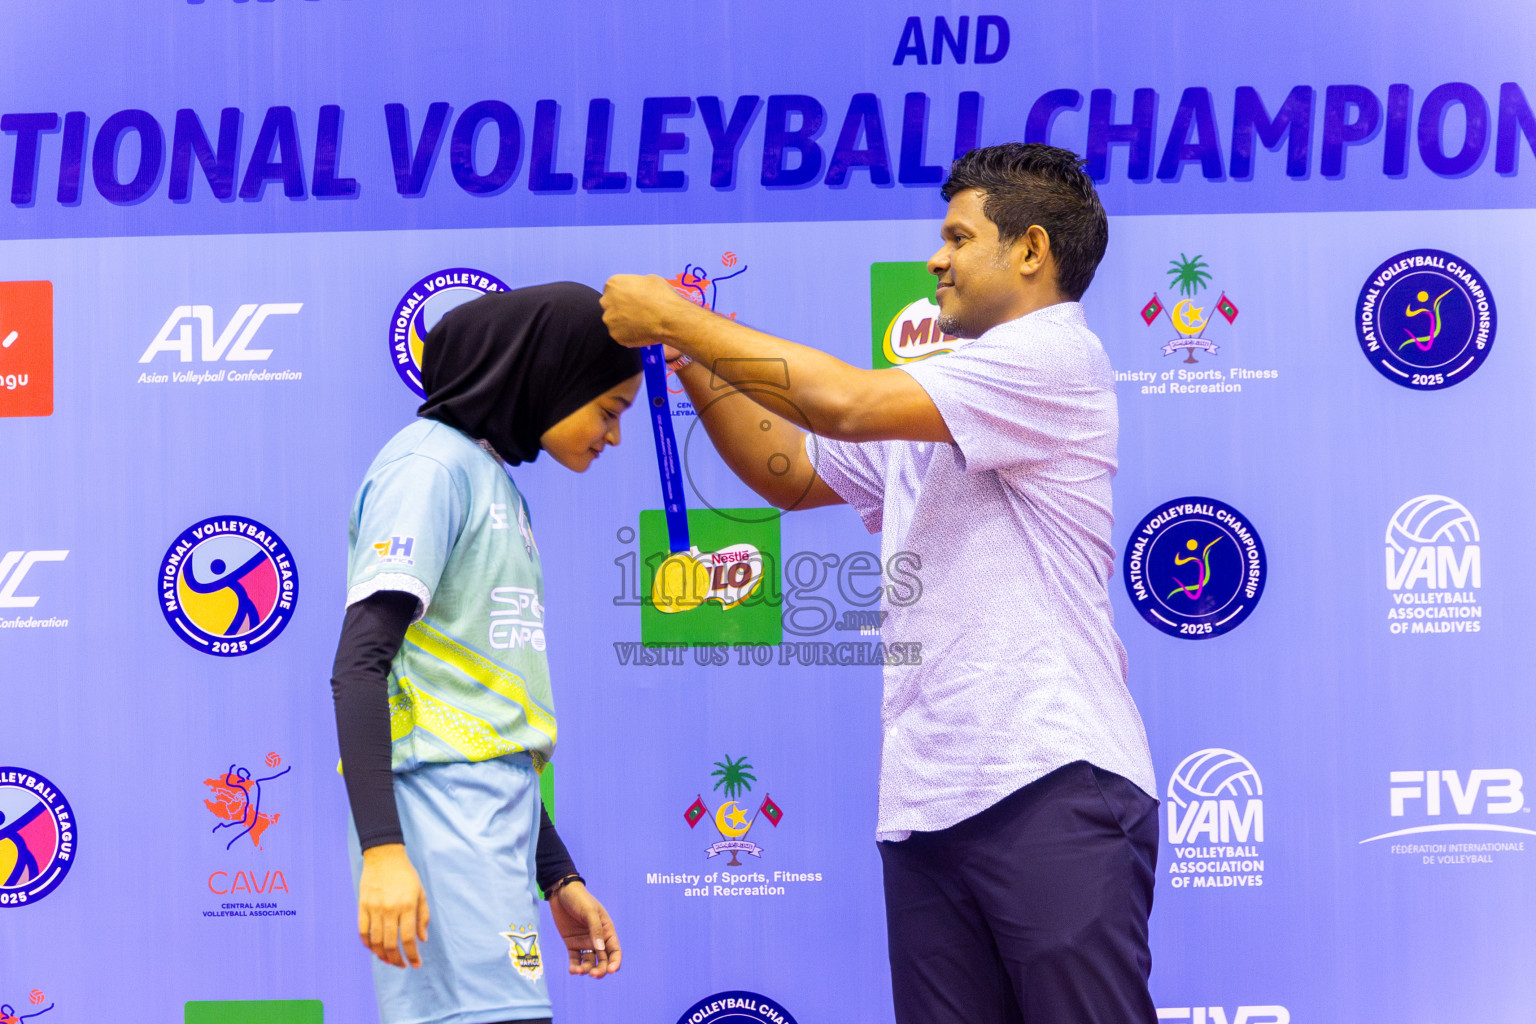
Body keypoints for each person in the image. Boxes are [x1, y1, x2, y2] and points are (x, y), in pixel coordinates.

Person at [601, 143, 1159, 1024]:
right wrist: (694, 352)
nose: (935, 258)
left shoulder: (1053, 357)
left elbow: (845, 404)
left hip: (1050, 783)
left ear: (1031, 251)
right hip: (927, 805)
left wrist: (677, 320)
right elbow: (788, 470)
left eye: (956, 236)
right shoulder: (938, 393)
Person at [330, 282, 636, 1024]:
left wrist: (555, 873)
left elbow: (485, 720)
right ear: (551, 376)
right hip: (437, 844)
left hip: (496, 844)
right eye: (610, 410)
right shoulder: (428, 469)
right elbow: (359, 665)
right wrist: (382, 852)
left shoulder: (489, 479)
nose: (614, 436)